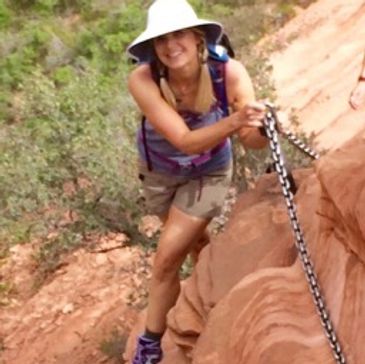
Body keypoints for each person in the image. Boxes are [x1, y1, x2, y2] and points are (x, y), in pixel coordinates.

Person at [126, 0, 268, 362]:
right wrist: (237, 123)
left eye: (178, 35)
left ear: (196, 37)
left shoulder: (229, 73)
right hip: (159, 175)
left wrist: (262, 129)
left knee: (166, 260)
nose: (171, 45)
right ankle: (215, 303)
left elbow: (249, 140)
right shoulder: (143, 79)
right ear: (152, 47)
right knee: (195, 243)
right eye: (162, 39)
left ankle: (150, 346)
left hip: (208, 173)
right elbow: (183, 140)